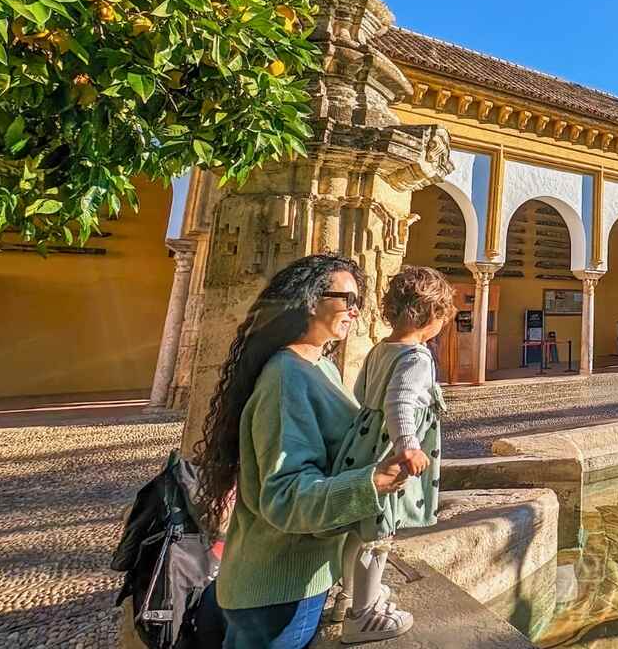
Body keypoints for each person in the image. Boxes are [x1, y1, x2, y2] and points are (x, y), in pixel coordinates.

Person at [194, 254, 412, 649]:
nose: (355, 310)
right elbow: (284, 497)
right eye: (346, 299)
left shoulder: (319, 366)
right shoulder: (286, 378)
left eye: (358, 300)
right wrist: (372, 482)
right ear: (310, 301)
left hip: (297, 577)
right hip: (275, 590)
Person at [334, 266, 455, 643]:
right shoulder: (416, 357)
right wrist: (408, 445)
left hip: (364, 445)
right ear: (430, 316)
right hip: (389, 455)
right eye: (442, 318)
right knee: (379, 535)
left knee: (358, 530)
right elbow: (400, 401)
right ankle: (364, 617)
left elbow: (360, 391)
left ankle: (348, 596)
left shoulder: (380, 348)